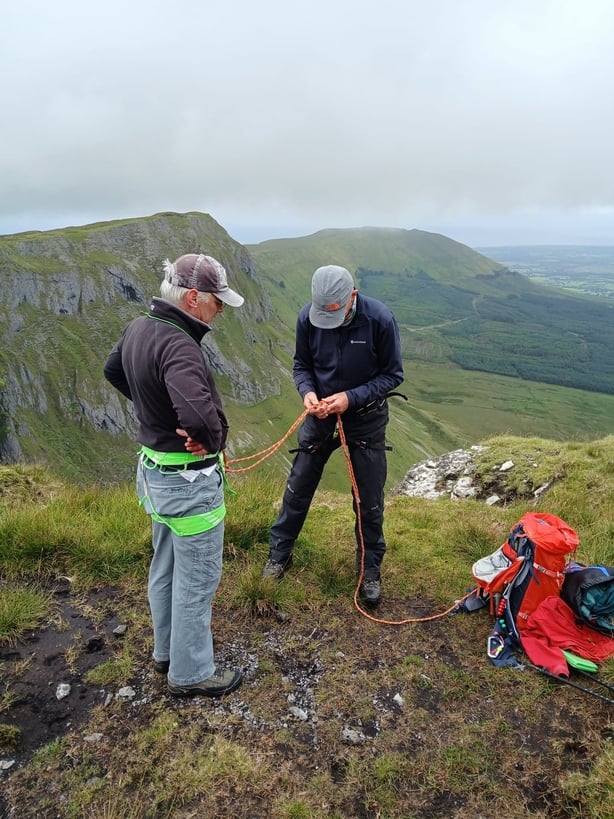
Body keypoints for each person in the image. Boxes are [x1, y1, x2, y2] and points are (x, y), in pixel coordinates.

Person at [103, 253, 245, 698]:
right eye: (217, 302)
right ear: (192, 298)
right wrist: (213, 439)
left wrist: (155, 411)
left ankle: (166, 653)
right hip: (188, 483)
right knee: (197, 578)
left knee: (164, 565)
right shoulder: (180, 344)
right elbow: (201, 418)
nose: (220, 309)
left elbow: (113, 370)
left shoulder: (140, 326)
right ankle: (192, 673)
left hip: (154, 474)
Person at [263, 264, 404, 605]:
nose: (328, 320)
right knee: (298, 487)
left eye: (335, 314)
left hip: (366, 419)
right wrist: (308, 393)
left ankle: (370, 570)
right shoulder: (306, 319)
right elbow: (302, 366)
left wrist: (350, 398)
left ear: (352, 296)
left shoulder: (380, 320)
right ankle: (279, 554)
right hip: (320, 415)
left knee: (368, 500)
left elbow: (392, 375)